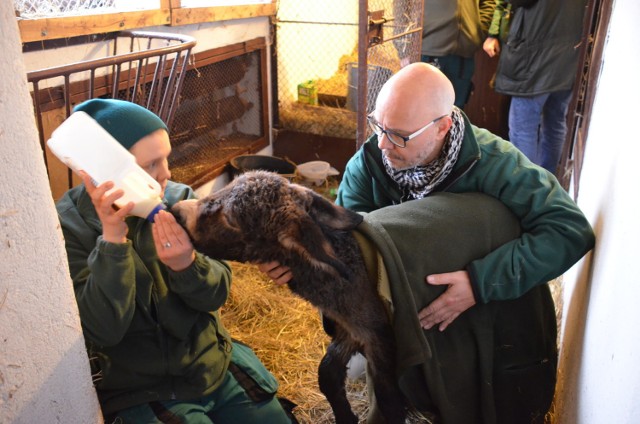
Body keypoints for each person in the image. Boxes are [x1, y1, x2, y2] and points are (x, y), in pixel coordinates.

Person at [261, 62, 595, 422]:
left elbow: (569, 230)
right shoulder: (370, 163)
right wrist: (303, 266)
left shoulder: (494, 162)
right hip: (402, 296)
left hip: (471, 297)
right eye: (378, 126)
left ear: (442, 127)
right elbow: (350, 246)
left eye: (400, 135)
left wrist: (479, 283)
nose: (383, 144)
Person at [55, 99, 293, 424]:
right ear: (104, 171)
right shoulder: (68, 229)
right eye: (151, 164)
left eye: (166, 158)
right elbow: (104, 331)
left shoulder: (181, 201)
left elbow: (216, 295)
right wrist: (112, 239)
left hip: (211, 364)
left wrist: (187, 265)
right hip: (143, 390)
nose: (166, 173)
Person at [482, 0, 588, 173]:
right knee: (556, 121)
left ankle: (527, 185)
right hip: (568, 54)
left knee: (522, 128)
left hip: (534, 55)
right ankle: (548, 180)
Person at [420, 0, 497, 108]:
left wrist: (479, 30)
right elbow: (403, 6)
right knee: (423, 110)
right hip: (428, 50)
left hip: (463, 55)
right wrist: (404, 48)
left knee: (456, 112)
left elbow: (489, 3)